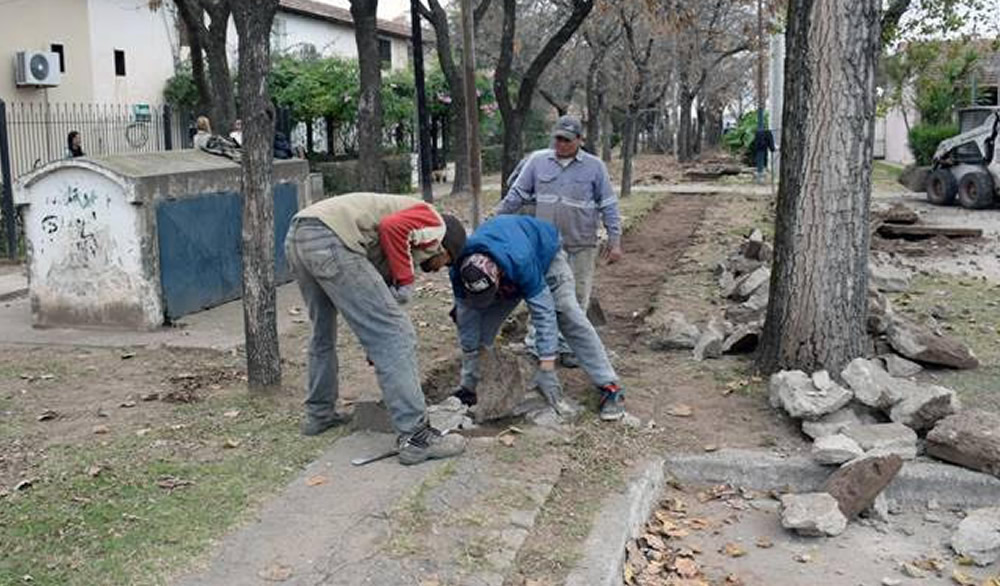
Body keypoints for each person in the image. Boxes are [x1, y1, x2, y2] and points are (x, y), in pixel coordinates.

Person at [285, 193, 469, 465]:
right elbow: (392, 228)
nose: (440, 269)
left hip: (300, 235)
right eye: (448, 263)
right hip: (332, 237)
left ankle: (319, 415)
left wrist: (377, 345)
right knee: (398, 335)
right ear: (445, 249)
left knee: (322, 333)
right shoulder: (434, 221)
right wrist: (406, 283)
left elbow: (373, 305)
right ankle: (416, 437)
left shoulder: (388, 250)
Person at [449, 215, 626, 421]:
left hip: (544, 255)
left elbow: (544, 315)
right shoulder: (458, 268)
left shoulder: (521, 261)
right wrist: (468, 377)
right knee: (479, 332)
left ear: (497, 277)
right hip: (506, 265)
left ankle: (609, 385)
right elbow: (467, 317)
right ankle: (472, 386)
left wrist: (547, 368)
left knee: (566, 312)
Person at [495, 115, 622, 367]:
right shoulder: (538, 161)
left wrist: (615, 239)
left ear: (579, 140)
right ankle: (539, 343)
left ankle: (568, 347)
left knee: (576, 298)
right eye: (557, 139)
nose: (560, 144)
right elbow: (517, 194)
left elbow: (608, 204)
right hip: (546, 246)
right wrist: (496, 220)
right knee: (540, 294)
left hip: (581, 243)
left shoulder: (595, 167)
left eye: (566, 140)